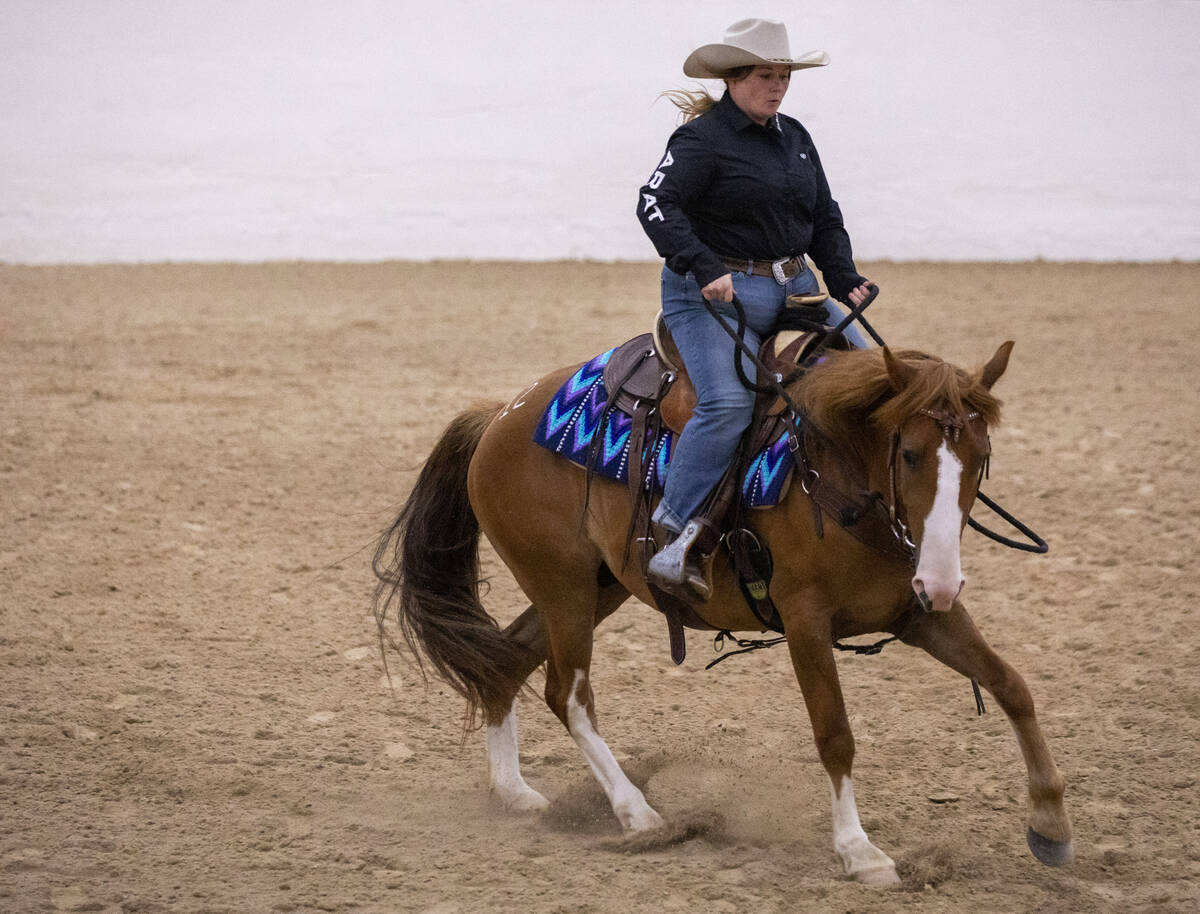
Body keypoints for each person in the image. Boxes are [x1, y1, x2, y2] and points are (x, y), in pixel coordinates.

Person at [637, 18, 875, 595]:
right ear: (735, 77)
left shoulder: (794, 137)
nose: (778, 86)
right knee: (726, 401)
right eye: (766, 76)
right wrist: (704, 266)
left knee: (880, 378)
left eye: (784, 75)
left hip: (798, 287)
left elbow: (824, 215)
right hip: (710, 294)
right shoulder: (700, 140)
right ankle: (673, 533)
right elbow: (655, 204)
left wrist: (843, 276)